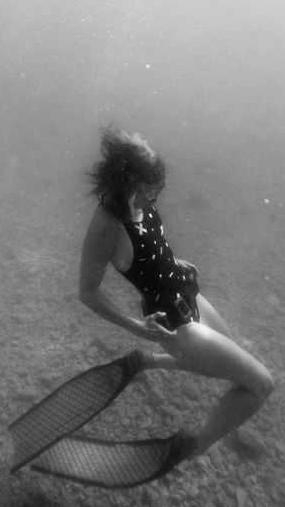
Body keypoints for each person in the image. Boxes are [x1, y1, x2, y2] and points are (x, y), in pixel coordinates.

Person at [78, 128, 274, 457]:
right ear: (125, 182)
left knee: (226, 366)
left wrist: (174, 262)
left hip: (187, 293)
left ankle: (149, 362)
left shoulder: (138, 197)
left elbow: (148, 248)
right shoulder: (105, 226)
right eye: (147, 193)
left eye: (156, 193)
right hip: (172, 322)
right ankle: (195, 447)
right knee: (261, 384)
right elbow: (87, 293)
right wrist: (135, 326)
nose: (151, 200)